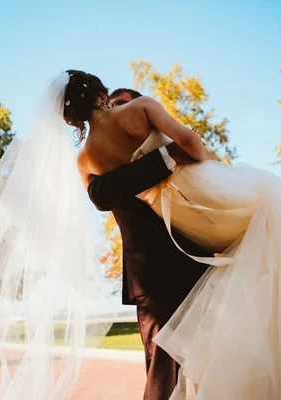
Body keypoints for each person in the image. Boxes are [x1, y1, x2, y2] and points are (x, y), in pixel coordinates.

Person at [71, 70, 281, 400]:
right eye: (112, 100)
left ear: (72, 118)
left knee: (215, 353)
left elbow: (106, 189)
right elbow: (182, 149)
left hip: (195, 246)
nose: (117, 105)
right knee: (165, 365)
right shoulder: (140, 114)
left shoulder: (86, 158)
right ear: (102, 95)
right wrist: (185, 160)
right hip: (164, 255)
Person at [87, 87, 211, 400]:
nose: (114, 114)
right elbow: (106, 192)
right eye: (110, 106)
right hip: (153, 281)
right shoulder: (103, 174)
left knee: (211, 361)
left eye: (122, 106)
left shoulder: (180, 151)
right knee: (162, 369)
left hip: (197, 265)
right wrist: (167, 157)